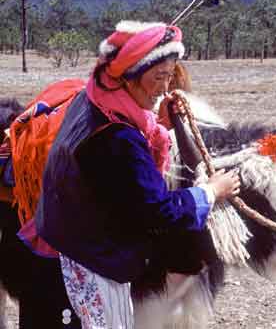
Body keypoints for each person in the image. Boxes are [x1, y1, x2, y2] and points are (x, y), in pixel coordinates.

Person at [30, 21, 240, 329]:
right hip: (95, 260)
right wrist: (210, 190)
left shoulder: (93, 98)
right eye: (159, 76)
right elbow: (157, 209)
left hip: (70, 241)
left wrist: (160, 125)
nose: (166, 87)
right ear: (129, 75)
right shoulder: (119, 137)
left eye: (170, 76)